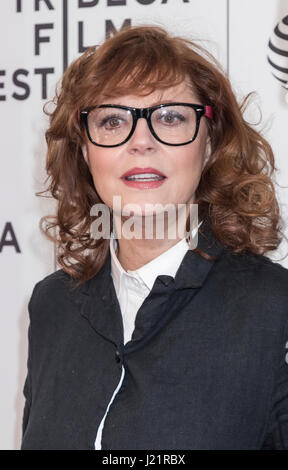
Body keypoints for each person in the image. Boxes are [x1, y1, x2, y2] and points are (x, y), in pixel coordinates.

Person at [21, 25, 288, 450]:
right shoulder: (52, 306)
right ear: (85, 149)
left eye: (170, 116)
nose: (141, 141)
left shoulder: (274, 308)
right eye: (112, 120)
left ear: (209, 141)